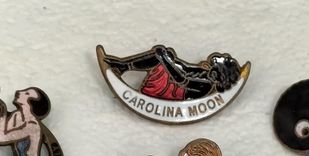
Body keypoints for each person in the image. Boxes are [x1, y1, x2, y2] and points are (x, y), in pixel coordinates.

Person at [103, 45, 241, 101]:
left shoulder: (206, 85)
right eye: (215, 70)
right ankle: (123, 66)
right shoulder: (203, 71)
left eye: (218, 76)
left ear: (220, 81)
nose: (214, 74)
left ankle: (124, 67)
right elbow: (184, 68)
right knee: (163, 56)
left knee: (159, 60)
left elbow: (182, 80)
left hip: (173, 93)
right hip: (173, 85)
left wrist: (164, 60)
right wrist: (170, 59)